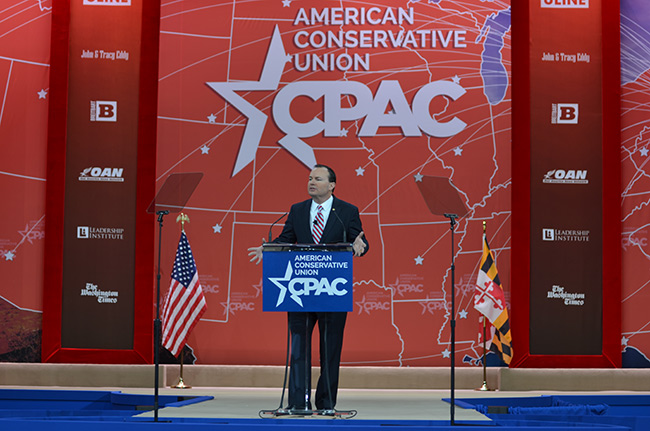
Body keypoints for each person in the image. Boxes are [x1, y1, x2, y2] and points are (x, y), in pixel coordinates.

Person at [248, 164, 369, 412]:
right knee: (299, 349)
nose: (312, 182)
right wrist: (269, 248)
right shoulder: (298, 210)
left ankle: (326, 404)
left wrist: (360, 247)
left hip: (331, 290)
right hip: (300, 290)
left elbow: (360, 240)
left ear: (332, 185)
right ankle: (297, 403)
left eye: (318, 178)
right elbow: (285, 240)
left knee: (330, 350)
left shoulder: (346, 211)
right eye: (310, 178)